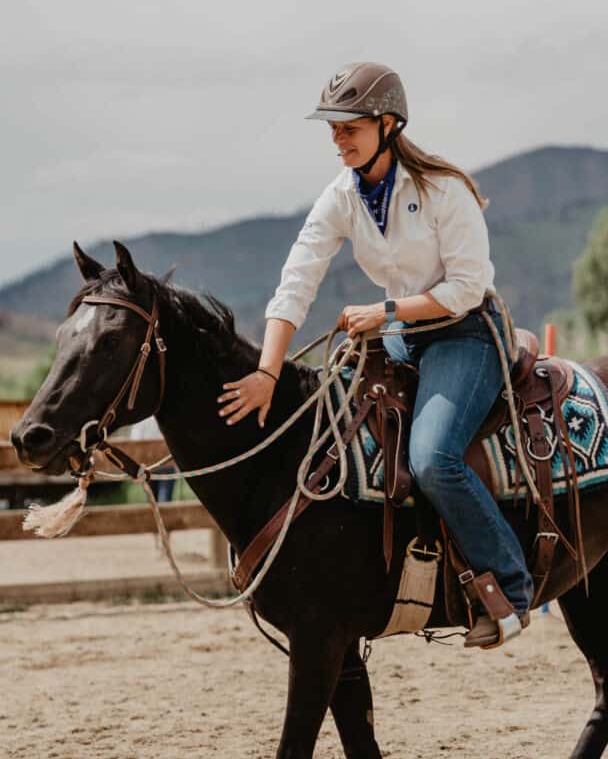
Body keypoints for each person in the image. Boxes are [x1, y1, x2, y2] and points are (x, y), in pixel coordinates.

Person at [216, 62, 532, 647]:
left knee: (434, 458)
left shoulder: (444, 189)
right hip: (399, 337)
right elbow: (297, 279)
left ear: (387, 124)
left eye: (348, 128)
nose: (338, 140)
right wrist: (267, 370)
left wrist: (384, 314)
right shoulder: (342, 196)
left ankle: (509, 590)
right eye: (332, 130)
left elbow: (466, 287)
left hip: (465, 332)